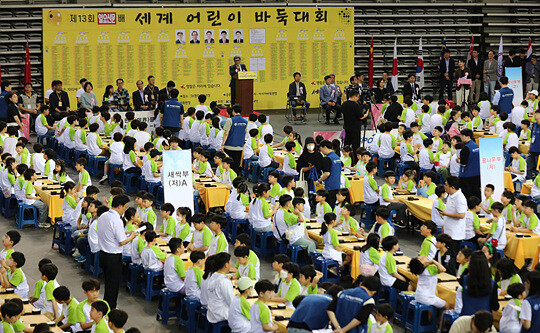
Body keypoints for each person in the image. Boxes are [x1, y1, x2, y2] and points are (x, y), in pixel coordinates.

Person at [97, 194, 137, 309]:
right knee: (113, 285)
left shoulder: (104, 215)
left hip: (103, 254)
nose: (125, 210)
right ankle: (110, 308)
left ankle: (106, 305)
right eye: (125, 207)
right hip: (113, 257)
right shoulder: (117, 220)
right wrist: (132, 236)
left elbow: (110, 233)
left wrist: (125, 233)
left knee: (108, 283)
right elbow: (122, 242)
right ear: (119, 206)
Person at [454, 251, 499, 316]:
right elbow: (495, 307)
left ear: (470, 264)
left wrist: (467, 267)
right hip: (484, 320)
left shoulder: (464, 280)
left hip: (466, 317)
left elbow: (460, 279)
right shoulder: (492, 283)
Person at [439, 175, 467, 255]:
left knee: (452, 255)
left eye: (446, 185)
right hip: (448, 230)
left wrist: (446, 214)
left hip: (455, 233)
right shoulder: (450, 195)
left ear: (452, 187)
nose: (444, 186)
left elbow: (461, 215)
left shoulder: (460, 198)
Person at [207, 252, 234, 323]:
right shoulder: (225, 281)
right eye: (230, 263)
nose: (231, 265)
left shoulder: (214, 275)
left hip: (212, 311)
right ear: (226, 265)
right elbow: (231, 301)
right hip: (221, 314)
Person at [315, 140, 341, 209]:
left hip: (329, 186)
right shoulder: (337, 157)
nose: (321, 151)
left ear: (325, 147)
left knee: (328, 207)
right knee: (333, 206)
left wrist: (319, 180)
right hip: (337, 185)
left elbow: (326, 174)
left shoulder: (327, 158)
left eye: (321, 149)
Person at [221, 104, 247, 173]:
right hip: (239, 147)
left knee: (228, 166)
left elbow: (226, 133)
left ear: (233, 111)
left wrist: (223, 144)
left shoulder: (230, 120)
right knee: (236, 166)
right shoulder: (245, 122)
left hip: (229, 146)